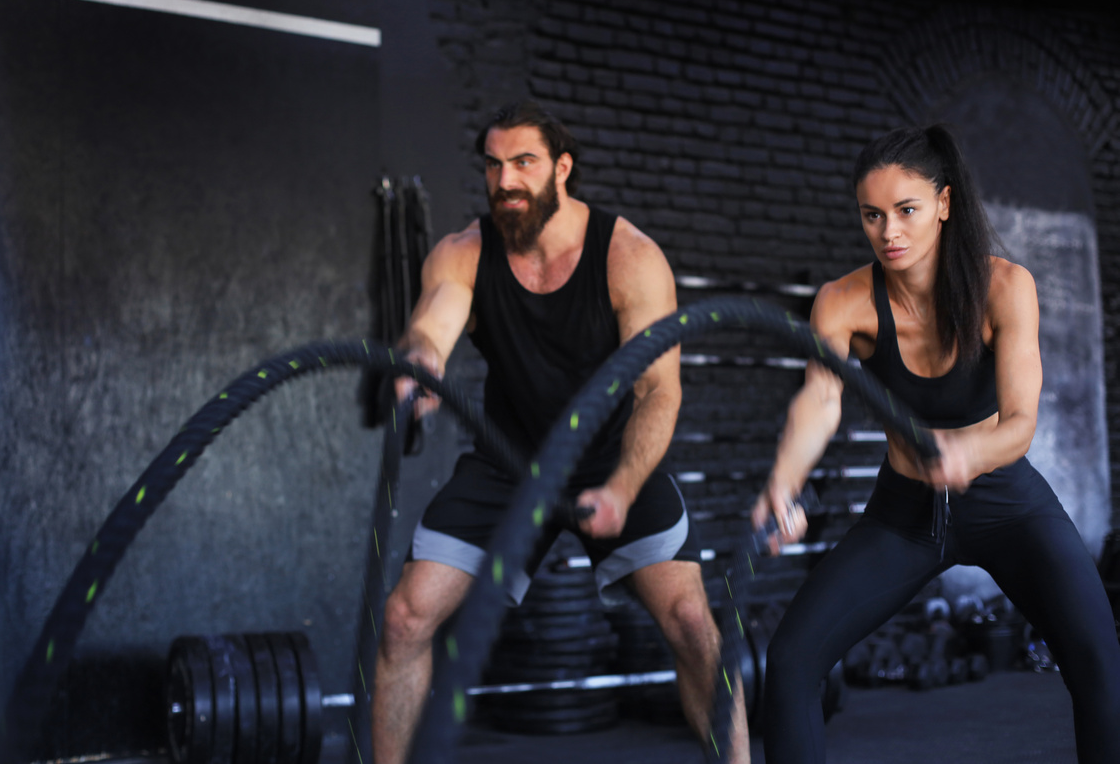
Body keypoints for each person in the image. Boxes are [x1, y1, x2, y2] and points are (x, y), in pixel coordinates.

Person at [372, 100, 748, 763]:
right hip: (507, 463)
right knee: (405, 618)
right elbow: (432, 327)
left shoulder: (628, 256)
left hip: (610, 458)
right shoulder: (464, 252)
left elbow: (659, 390)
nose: (506, 180)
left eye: (524, 163)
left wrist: (626, 487)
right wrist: (421, 365)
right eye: (494, 165)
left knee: (693, 623)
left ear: (562, 169)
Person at [750, 124, 1120, 763]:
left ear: (944, 204)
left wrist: (968, 456)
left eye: (906, 210)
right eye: (872, 215)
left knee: (1099, 661)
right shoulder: (842, 302)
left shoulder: (1006, 286)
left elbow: (1022, 420)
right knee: (790, 661)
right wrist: (783, 483)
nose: (888, 231)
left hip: (1007, 502)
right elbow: (819, 400)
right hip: (905, 515)